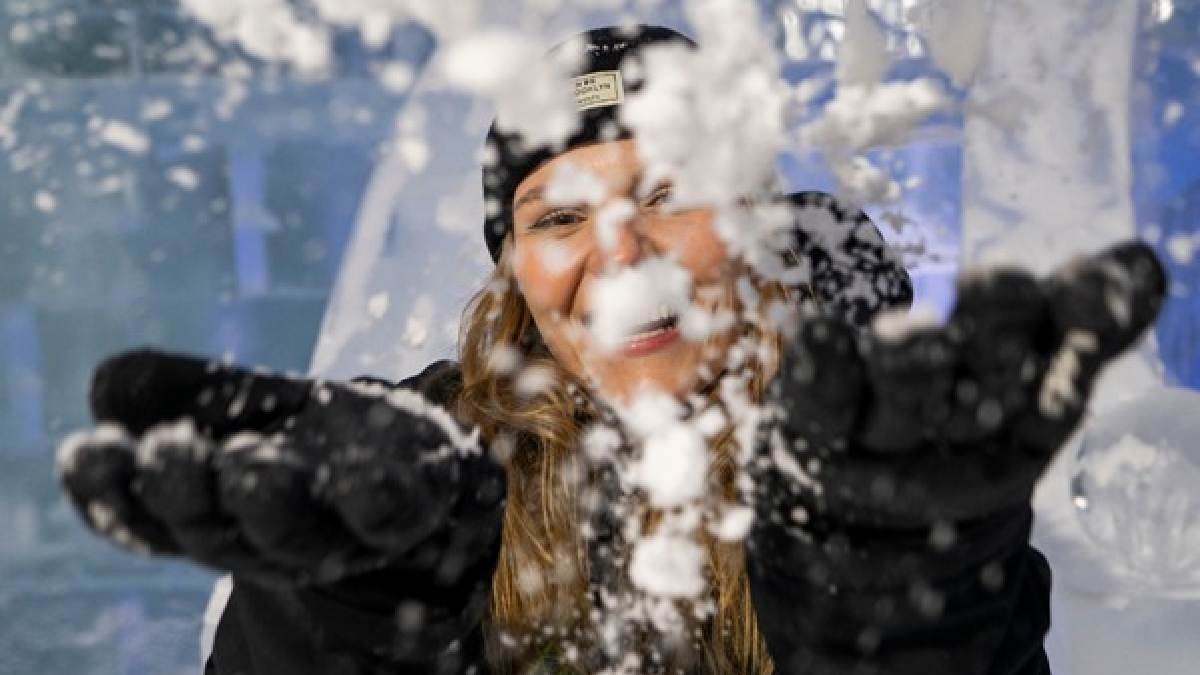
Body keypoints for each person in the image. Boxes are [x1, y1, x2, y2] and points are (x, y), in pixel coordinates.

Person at [56, 25, 1166, 675]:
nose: (622, 247)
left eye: (670, 194)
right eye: (556, 218)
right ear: (514, 275)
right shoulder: (417, 465)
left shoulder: (894, 446)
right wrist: (336, 614)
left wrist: (887, 582)